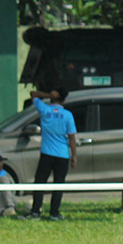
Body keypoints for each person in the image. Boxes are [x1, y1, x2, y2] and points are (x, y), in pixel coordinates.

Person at [25, 88, 76, 221]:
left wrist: (47, 95)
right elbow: (71, 137)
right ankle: (54, 212)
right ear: (64, 100)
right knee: (58, 184)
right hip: (63, 154)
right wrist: (74, 156)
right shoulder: (67, 115)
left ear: (53, 96)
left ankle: (35, 211)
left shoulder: (45, 110)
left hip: (47, 153)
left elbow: (33, 94)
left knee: (40, 182)